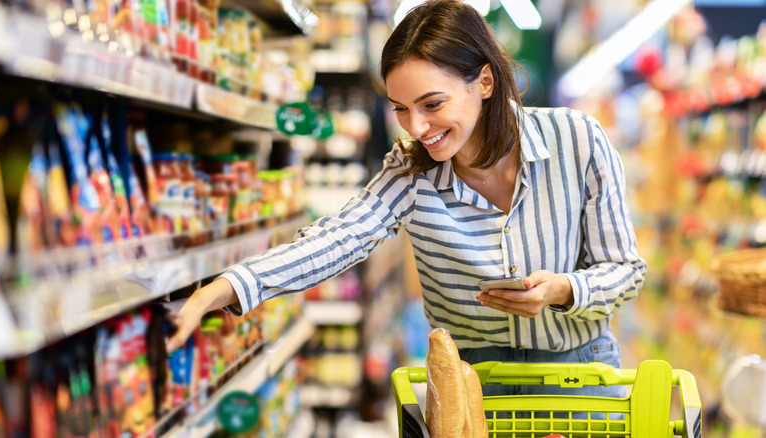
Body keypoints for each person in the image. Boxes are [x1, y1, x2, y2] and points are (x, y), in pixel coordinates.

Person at [167, 0, 646, 400]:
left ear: (484, 82)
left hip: (579, 377)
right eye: (401, 109)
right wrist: (222, 288)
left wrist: (563, 290)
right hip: (468, 385)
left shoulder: (578, 140)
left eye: (432, 104)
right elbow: (339, 238)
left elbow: (625, 269)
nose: (417, 128)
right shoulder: (411, 169)